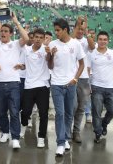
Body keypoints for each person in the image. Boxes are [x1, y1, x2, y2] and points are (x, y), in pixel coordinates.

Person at [0, 13, 29, 149]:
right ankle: (5, 132)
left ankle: (15, 138)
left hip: (14, 84)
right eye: (1, 31)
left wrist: (15, 20)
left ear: (10, 34)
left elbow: (26, 38)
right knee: (1, 112)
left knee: (14, 112)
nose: (2, 33)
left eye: (5, 31)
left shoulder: (16, 44)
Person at [46, 18, 85, 156]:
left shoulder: (76, 44)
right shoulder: (52, 44)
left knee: (69, 113)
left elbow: (81, 64)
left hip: (71, 85)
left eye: (58, 30)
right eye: (55, 30)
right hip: (56, 84)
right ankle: (60, 143)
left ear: (65, 30)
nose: (56, 32)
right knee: (60, 114)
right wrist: (51, 55)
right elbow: (50, 65)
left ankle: (67, 138)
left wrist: (75, 79)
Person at [87, 31, 113, 143]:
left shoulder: (112, 53)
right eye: (100, 39)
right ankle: (98, 132)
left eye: (105, 39)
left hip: (110, 87)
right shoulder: (91, 54)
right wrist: (88, 85)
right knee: (96, 111)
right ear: (97, 40)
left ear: (108, 41)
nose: (102, 41)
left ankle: (104, 123)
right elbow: (87, 70)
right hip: (96, 87)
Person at [20, 28, 50, 148]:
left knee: (43, 114)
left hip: (43, 86)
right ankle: (23, 127)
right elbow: (23, 66)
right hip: (29, 85)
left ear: (43, 39)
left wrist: (49, 53)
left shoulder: (45, 50)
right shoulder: (26, 50)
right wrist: (20, 67)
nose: (37, 39)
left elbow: (48, 60)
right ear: (33, 38)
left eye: (40, 37)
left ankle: (41, 137)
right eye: (36, 37)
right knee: (25, 111)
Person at [71, 16, 95, 143]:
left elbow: (92, 47)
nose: (80, 31)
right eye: (78, 28)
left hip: (84, 78)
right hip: (70, 77)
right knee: (72, 106)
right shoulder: (70, 40)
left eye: (82, 29)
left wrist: (86, 32)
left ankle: (76, 132)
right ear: (74, 28)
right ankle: (67, 130)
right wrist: (78, 28)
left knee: (81, 107)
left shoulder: (86, 41)